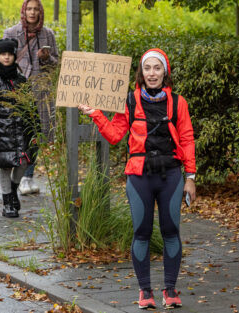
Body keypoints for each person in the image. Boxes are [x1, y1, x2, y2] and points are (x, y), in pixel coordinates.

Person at [78, 48, 196, 310]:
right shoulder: (129, 101)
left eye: (157, 68)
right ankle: (145, 291)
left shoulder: (179, 103)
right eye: (147, 68)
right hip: (139, 175)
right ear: (140, 73)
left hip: (172, 176)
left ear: (165, 71)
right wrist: (95, 113)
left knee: (171, 231)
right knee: (141, 232)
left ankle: (170, 289)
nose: (152, 73)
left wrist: (190, 177)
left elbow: (187, 139)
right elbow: (114, 135)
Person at [3, 0, 58, 195]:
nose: (32, 12)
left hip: (40, 91)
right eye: (29, 9)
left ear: (41, 11)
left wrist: (46, 58)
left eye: (36, 9)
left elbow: (56, 64)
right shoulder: (11, 33)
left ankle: (28, 176)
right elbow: (3, 61)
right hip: (18, 91)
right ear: (23, 11)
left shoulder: (48, 34)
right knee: (19, 134)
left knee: (36, 134)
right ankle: (17, 175)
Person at [0, 38, 37, 218]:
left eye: (9, 54)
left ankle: (13, 189)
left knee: (23, 162)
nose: (6, 57)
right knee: (5, 166)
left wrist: (35, 130)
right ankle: (7, 202)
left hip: (20, 131)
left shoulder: (21, 79)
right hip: (1, 131)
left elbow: (30, 106)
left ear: (14, 56)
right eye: (3, 54)